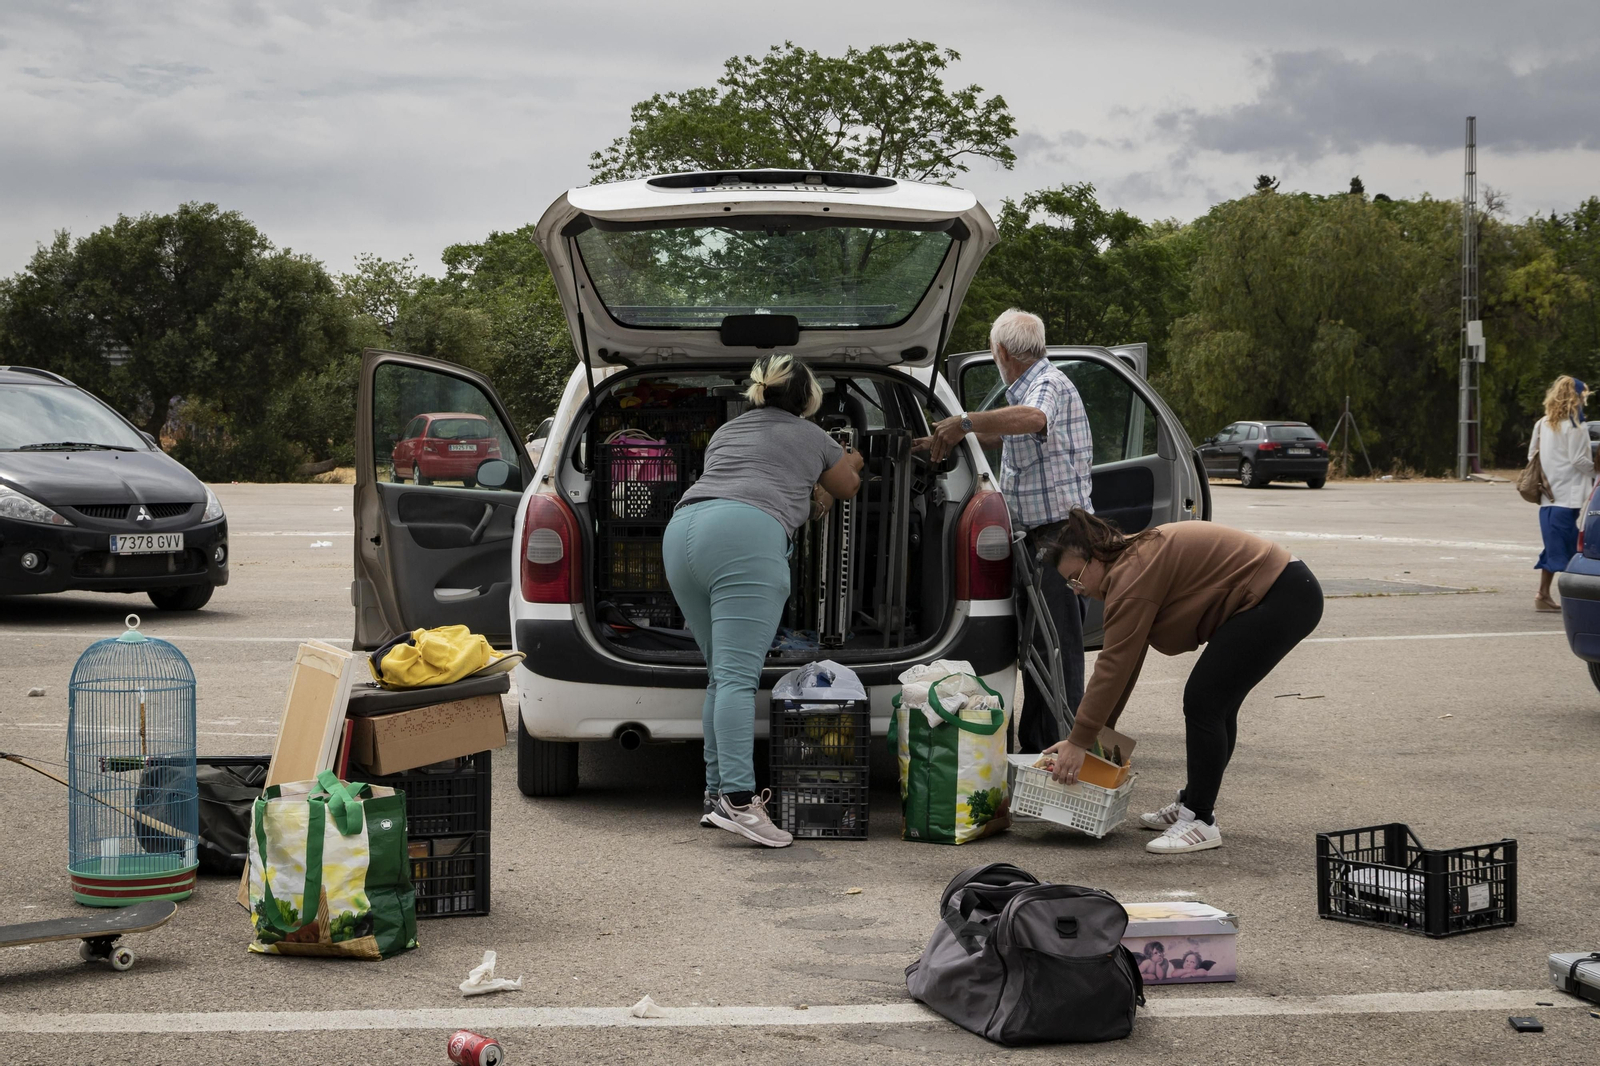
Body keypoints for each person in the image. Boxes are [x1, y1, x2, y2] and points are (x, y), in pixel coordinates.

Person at [665, 355, 864, 848]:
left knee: (720, 675)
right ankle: (739, 800)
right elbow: (847, 486)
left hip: (683, 531)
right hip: (745, 537)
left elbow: (758, 480)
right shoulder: (815, 437)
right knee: (737, 678)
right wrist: (850, 462)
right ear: (808, 399)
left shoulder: (727, 431)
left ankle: (716, 795)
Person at [1040, 509, 1323, 854]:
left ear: (1096, 557)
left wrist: (1079, 740)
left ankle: (1200, 819)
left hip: (1281, 595)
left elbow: (1113, 665)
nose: (1078, 591)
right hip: (1284, 590)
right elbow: (1126, 664)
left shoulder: (1132, 575)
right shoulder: (1132, 562)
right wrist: (1097, 737)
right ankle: (1193, 803)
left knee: (1205, 700)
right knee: (1216, 703)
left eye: (1076, 578)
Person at [921, 309, 1094, 752]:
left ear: (1001, 351)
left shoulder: (1047, 384)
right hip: (1042, 538)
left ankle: (1061, 749)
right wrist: (949, 439)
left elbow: (1033, 419)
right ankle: (1037, 749)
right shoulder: (1030, 388)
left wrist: (965, 421)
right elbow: (1009, 434)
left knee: (1057, 651)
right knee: (1038, 650)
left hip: (1060, 538)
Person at [1529, 376, 1595, 612]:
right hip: (1568, 496)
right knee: (1572, 550)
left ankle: (1543, 595)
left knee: (1555, 546)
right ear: (1575, 397)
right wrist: (1596, 470)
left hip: (1548, 496)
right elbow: (1578, 460)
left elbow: (1532, 456)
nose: (1585, 399)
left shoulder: (1542, 423)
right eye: (1584, 395)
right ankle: (1579, 601)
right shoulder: (1575, 425)